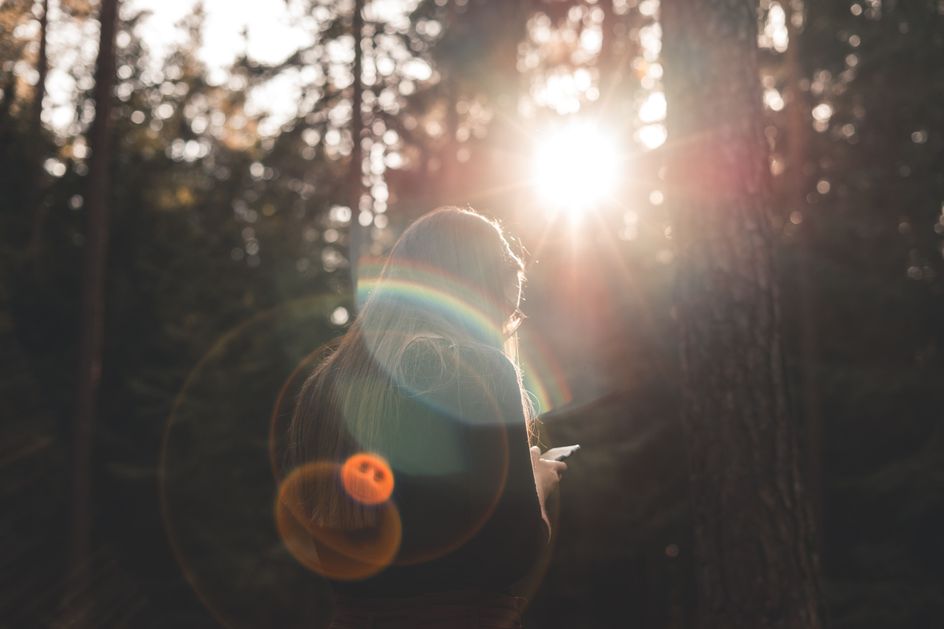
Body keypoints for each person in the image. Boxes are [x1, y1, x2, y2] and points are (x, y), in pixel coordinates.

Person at [279, 206, 566, 629]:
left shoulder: (321, 390)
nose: (507, 322)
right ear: (486, 290)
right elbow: (512, 554)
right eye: (508, 307)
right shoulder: (478, 372)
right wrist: (537, 486)